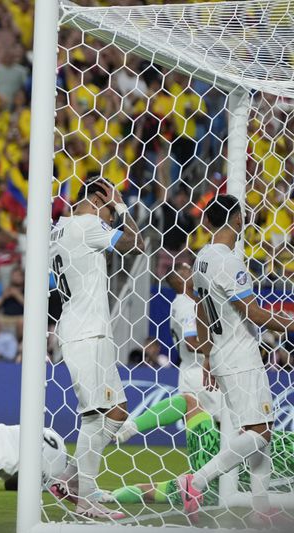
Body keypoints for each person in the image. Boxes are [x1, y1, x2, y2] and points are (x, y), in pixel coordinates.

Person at [177, 194, 294, 525]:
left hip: (223, 352)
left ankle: (260, 506)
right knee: (259, 433)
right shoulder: (229, 260)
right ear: (239, 220)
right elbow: (254, 313)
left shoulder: (202, 259)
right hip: (241, 354)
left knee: (261, 430)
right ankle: (196, 481)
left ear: (208, 222)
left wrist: (208, 354)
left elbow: (201, 309)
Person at [48, 177, 145, 519]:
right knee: (96, 415)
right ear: (97, 200)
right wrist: (120, 207)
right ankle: (85, 496)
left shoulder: (59, 229)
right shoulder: (88, 223)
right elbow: (137, 243)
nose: (109, 215)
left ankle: (69, 480)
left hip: (86, 330)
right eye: (106, 205)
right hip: (85, 332)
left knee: (116, 410)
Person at [105, 393, 294, 519]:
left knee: (189, 401)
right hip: (215, 494)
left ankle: (129, 429)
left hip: (219, 460)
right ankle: (110, 496)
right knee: (151, 492)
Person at [117, 262, 220, 443]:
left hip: (188, 369)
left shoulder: (179, 303)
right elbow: (191, 343)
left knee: (197, 428)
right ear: (180, 280)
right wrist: (220, 347)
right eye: (188, 271)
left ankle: (135, 425)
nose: (193, 272)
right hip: (201, 372)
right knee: (221, 422)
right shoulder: (187, 305)